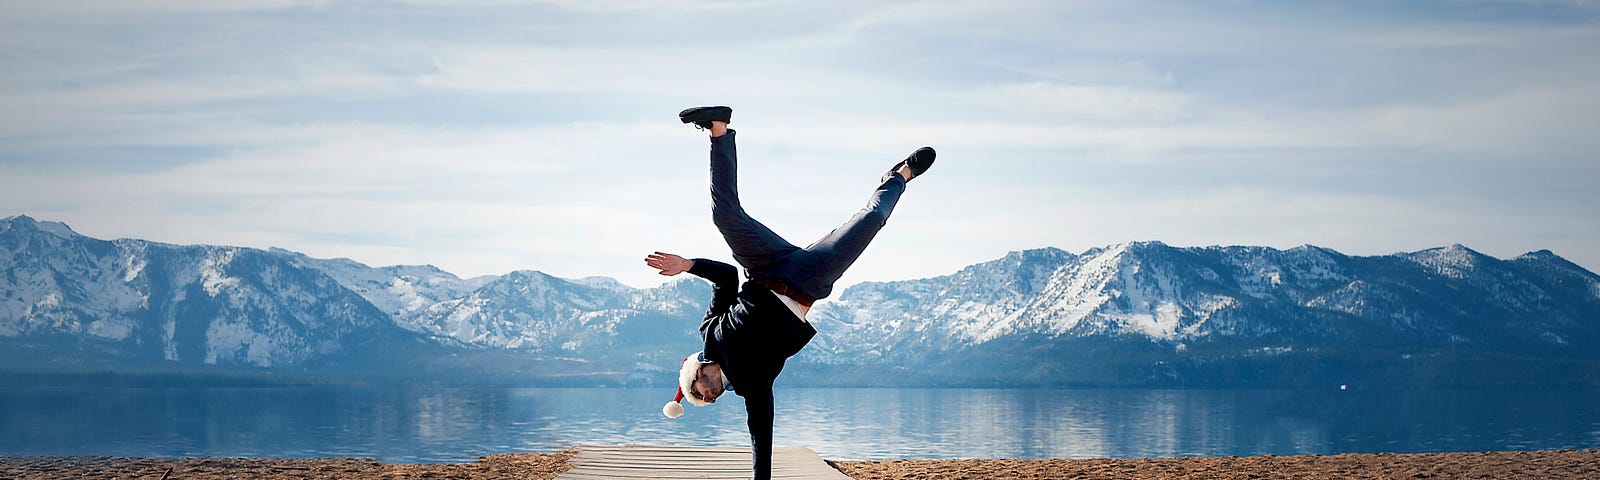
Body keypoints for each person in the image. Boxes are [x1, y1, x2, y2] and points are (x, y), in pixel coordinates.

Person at [647, 106, 934, 480]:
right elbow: (760, 434)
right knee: (870, 220)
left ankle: (718, 129)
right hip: (808, 280)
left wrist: (689, 265)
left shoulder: (710, 334)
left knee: (725, 216)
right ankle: (899, 177)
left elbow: (727, 278)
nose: (709, 398)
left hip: (765, 266)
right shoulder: (753, 386)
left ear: (697, 372)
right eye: (707, 401)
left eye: (700, 393)